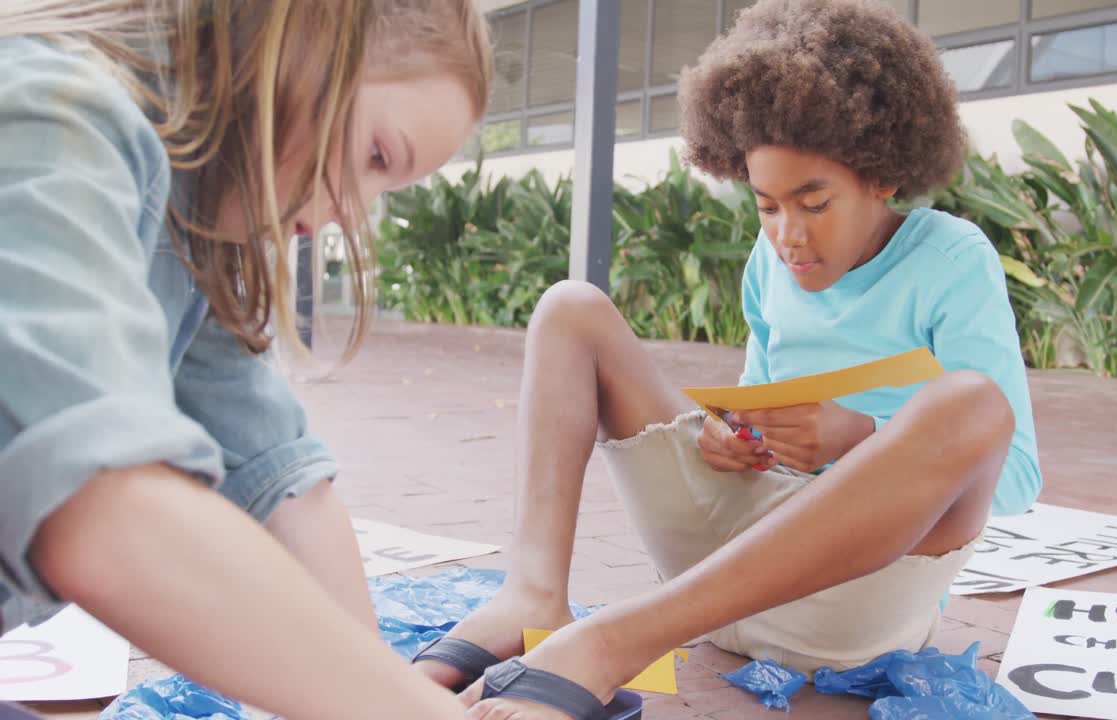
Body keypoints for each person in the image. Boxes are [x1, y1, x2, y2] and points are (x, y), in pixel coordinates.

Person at [414, 1, 1043, 718]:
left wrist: (861, 436)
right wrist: (732, 437)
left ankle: (612, 642)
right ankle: (531, 596)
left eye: (813, 202)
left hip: (850, 602)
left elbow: (1014, 475)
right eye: (766, 206)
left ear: (883, 176)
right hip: (721, 578)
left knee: (970, 405)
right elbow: (760, 402)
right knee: (569, 309)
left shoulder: (952, 260)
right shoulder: (768, 264)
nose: (787, 236)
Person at [0, 2, 491, 718]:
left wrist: (390, 691)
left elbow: (282, 483)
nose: (355, 213)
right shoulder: (55, 114)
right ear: (300, 39)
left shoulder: (191, 214)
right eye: (377, 157)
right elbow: (106, 517)